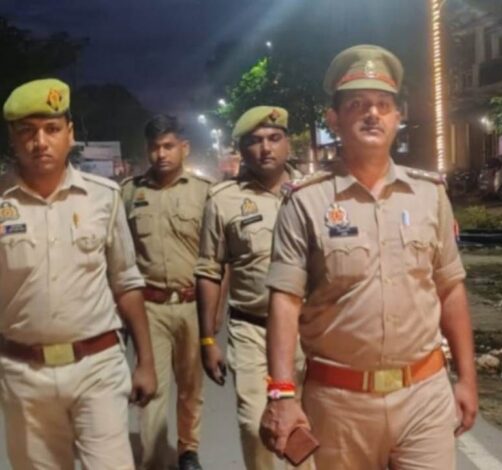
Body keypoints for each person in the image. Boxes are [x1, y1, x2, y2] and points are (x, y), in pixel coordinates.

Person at [259, 44, 478, 469]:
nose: (372, 114)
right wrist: (281, 393)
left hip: (424, 394)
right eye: (358, 104)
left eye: (383, 104)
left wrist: (467, 378)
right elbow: (284, 301)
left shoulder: (429, 195)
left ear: (398, 117)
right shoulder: (305, 202)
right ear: (334, 119)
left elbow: (450, 288)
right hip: (339, 404)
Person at [0, 78, 157, 468]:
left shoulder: (103, 196)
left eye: (52, 129)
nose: (40, 142)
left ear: (70, 134)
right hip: (22, 373)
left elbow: (126, 282)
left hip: (97, 367)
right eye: (27, 131)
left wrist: (146, 361)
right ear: (12, 139)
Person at [195, 106, 308, 469]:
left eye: (274, 138)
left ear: (288, 143)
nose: (266, 148)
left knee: (309, 428)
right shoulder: (223, 199)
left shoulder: (313, 192)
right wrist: (207, 339)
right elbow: (209, 270)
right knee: (255, 424)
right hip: (252, 330)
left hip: (310, 331)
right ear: (242, 150)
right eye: (255, 141)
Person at [121, 115, 211, 470]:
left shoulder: (204, 193)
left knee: (191, 387)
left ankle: (188, 450)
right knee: (151, 389)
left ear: (183, 148)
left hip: (191, 305)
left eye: (168, 146)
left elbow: (218, 258)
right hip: (149, 307)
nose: (161, 154)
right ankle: (154, 459)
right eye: (155, 147)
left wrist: (213, 316)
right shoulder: (129, 193)